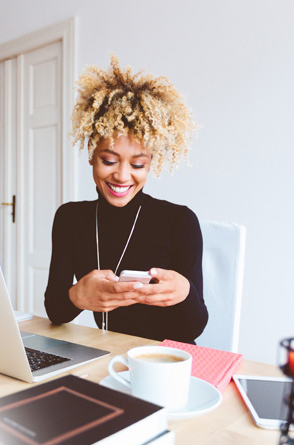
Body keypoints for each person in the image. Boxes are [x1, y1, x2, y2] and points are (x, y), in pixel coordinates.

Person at [43, 55, 207, 344]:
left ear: (151, 164)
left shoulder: (180, 221)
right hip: (107, 353)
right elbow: (55, 311)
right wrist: (76, 295)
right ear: (92, 155)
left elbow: (193, 329)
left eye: (137, 165)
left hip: (165, 362)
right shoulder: (70, 218)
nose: (121, 176)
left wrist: (185, 292)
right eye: (109, 160)